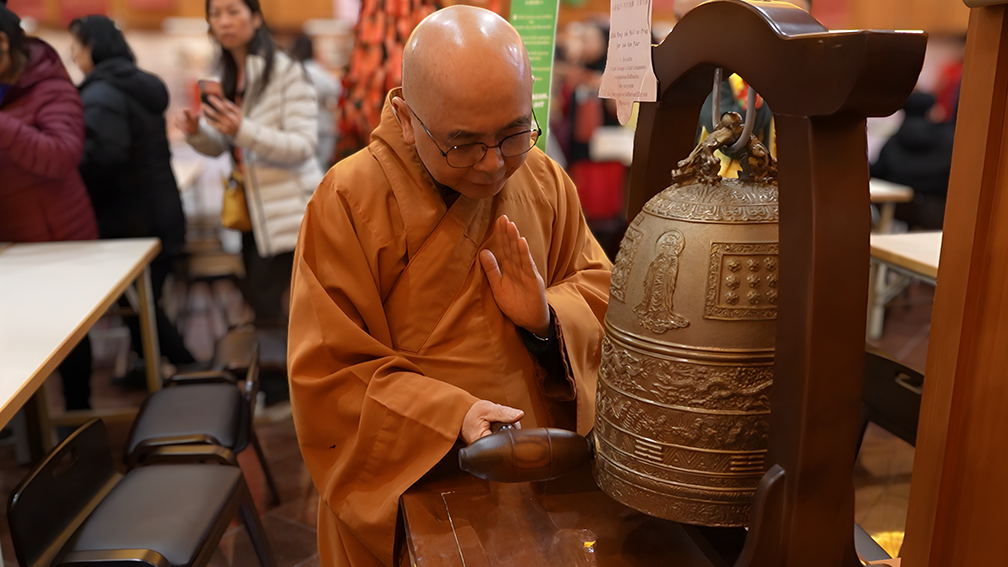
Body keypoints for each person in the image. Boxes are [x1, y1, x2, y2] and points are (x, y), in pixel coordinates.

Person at [288, 6, 612, 567]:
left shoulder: (543, 179)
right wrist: (448, 417)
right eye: (463, 145)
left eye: (514, 133)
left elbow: (599, 289)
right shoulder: (347, 200)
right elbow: (330, 373)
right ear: (405, 117)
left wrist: (546, 320)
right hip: (417, 476)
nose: (493, 164)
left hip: (542, 465)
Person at [176, 0, 323, 325]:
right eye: (215, 14)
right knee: (262, 307)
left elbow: (303, 145)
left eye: (233, 12)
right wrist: (197, 132)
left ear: (256, 18)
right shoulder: (227, 74)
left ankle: (283, 361)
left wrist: (242, 129)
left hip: (289, 212)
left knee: (286, 314)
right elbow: (225, 147)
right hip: (251, 212)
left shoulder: (285, 70)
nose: (224, 21)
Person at [68, 15, 197, 375]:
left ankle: (195, 372)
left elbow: (104, 156)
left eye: (75, 46)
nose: (73, 56)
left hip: (129, 219)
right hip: (160, 209)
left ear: (92, 46)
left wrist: (65, 162)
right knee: (143, 305)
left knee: (140, 308)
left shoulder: (101, 94)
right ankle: (161, 369)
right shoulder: (139, 86)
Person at [0, 4, 100, 410]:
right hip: (12, 239)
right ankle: (27, 426)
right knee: (19, 340)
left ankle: (79, 416)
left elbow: (62, 154)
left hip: (59, 236)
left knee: (68, 333)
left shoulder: (49, 86)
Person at [291, 34, 341, 170]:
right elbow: (336, 87)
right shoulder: (314, 69)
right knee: (321, 168)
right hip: (321, 124)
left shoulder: (292, 68)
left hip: (298, 125)